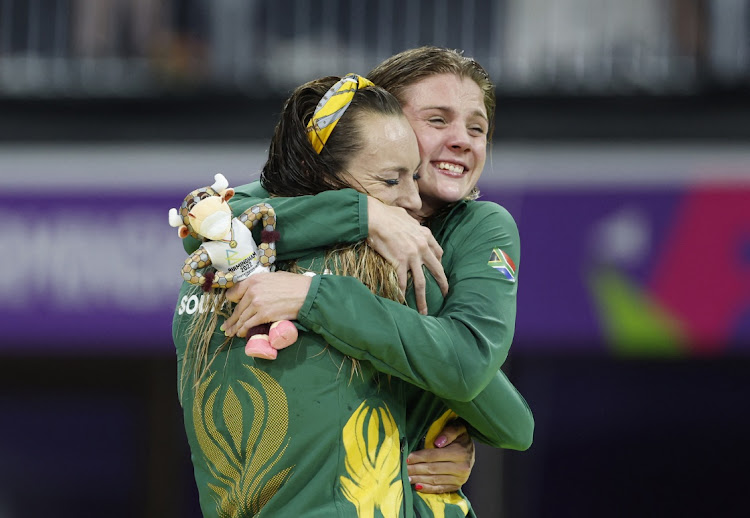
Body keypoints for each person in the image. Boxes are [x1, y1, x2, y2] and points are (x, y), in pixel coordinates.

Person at [174, 73, 530, 517]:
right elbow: (207, 224)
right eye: (437, 120)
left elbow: (486, 390)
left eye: (477, 127)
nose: (461, 139)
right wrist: (363, 215)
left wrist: (444, 426)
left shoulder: (474, 226)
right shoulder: (334, 252)